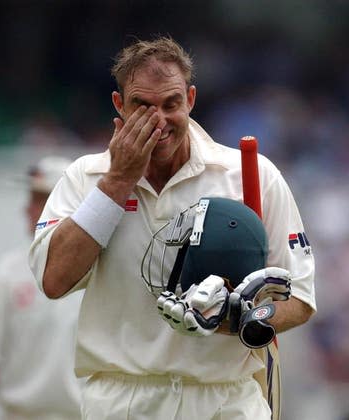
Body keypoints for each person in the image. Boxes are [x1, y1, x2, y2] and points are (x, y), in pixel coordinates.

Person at [28, 36, 316, 420]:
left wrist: (237, 319)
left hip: (225, 400)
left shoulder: (250, 175)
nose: (159, 120)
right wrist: (117, 181)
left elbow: (298, 298)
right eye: (142, 106)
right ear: (119, 105)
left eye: (171, 104)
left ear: (191, 99)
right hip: (122, 400)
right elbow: (54, 279)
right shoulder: (86, 176)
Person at [0, 156, 84, 420]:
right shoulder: (8, 272)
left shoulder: (96, 270)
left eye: (41, 200)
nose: (28, 210)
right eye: (32, 199)